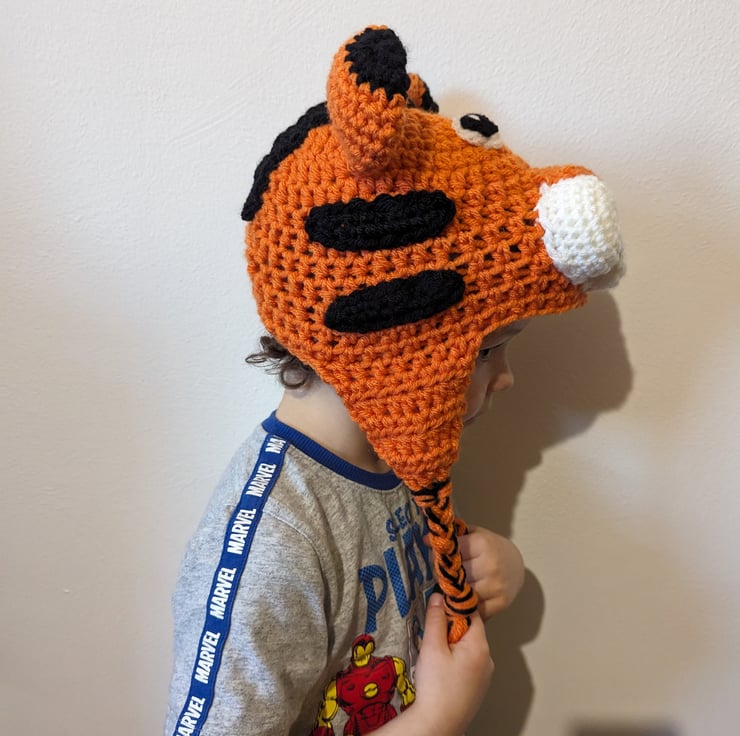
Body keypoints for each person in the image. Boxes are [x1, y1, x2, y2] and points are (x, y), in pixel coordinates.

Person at [164, 24, 624, 736]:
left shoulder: (395, 456)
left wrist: (499, 564)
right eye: (489, 349)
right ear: (394, 344)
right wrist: (436, 719)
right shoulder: (272, 548)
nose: (506, 380)